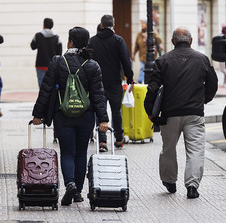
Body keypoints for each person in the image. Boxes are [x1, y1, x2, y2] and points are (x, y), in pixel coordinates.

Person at [31, 27, 109, 206]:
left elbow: (46, 89)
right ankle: (78, 193)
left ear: (71, 42)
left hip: (62, 115)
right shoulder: (92, 65)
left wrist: (37, 115)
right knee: (81, 153)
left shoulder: (58, 62)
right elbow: (98, 94)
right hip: (86, 116)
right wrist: (103, 119)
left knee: (67, 152)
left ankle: (70, 184)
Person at [144, 27, 218, 199]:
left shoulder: (163, 60)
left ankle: (169, 181)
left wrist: (150, 112)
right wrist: (203, 100)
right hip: (194, 113)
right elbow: (213, 84)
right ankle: (192, 186)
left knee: (168, 149)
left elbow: (152, 88)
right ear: (191, 40)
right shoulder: (202, 59)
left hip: (169, 114)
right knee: (195, 150)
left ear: (172, 41)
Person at [88, 14, 134, 152]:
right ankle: (119, 139)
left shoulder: (92, 41)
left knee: (99, 111)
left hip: (97, 83)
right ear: (113, 25)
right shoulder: (118, 40)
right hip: (115, 82)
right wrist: (130, 78)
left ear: (101, 25)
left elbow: (88, 62)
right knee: (116, 111)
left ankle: (102, 141)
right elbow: (126, 61)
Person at [31, 18, 62, 87]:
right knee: (51, 86)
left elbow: (32, 46)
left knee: (41, 86)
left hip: (40, 65)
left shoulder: (38, 36)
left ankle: (42, 98)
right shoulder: (57, 38)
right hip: (52, 66)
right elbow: (59, 53)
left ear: (44, 25)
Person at [132, 18, 163, 83]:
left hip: (151, 57)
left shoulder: (152, 32)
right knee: (142, 68)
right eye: (141, 24)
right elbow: (136, 45)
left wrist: (151, 39)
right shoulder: (139, 34)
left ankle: (148, 82)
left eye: (143, 23)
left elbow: (159, 40)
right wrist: (133, 54)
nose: (141, 25)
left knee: (148, 70)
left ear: (147, 24)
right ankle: (141, 82)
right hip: (142, 56)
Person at [220, 21, 226, 86]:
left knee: (223, 69)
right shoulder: (223, 36)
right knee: (224, 69)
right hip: (223, 55)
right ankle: (225, 83)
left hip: (224, 55)